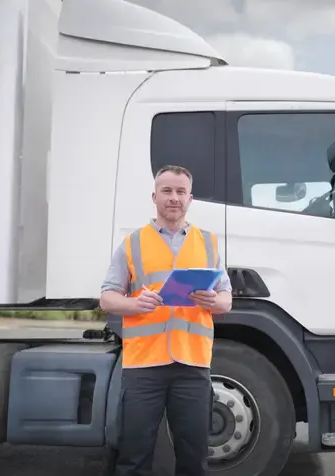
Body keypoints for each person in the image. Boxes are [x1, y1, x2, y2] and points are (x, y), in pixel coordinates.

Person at [99, 164, 233, 476]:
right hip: (144, 366)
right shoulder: (132, 243)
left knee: (194, 457)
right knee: (133, 456)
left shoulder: (208, 242)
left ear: (190, 198)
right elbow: (106, 298)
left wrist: (214, 301)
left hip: (192, 365)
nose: (174, 197)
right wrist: (134, 303)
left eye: (180, 192)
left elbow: (226, 299)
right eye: (167, 191)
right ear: (154, 196)